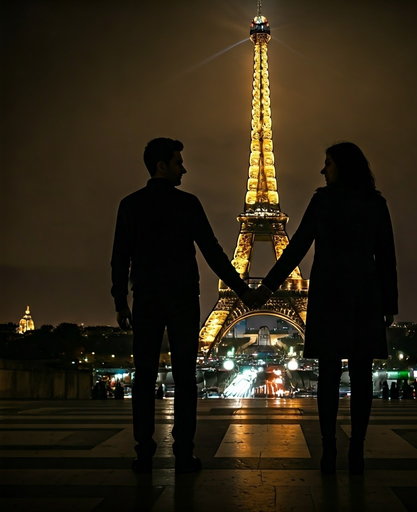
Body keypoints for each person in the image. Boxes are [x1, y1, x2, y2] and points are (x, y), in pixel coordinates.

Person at [110, 137, 256, 475]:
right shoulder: (188, 204)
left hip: (145, 299)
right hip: (182, 299)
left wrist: (120, 301)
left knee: (144, 378)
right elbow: (214, 253)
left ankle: (144, 452)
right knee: (186, 379)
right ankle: (184, 453)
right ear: (162, 165)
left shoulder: (130, 205)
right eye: (178, 162)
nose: (184, 168)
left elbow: (119, 259)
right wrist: (243, 291)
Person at [252, 141, 398, 475]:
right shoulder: (375, 204)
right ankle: (356, 450)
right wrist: (390, 303)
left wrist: (266, 287)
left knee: (328, 377)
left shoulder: (323, 202)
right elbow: (386, 258)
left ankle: (329, 448)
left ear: (343, 167)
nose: (323, 170)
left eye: (328, 163)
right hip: (364, 295)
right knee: (361, 378)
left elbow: (295, 250)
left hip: (329, 295)